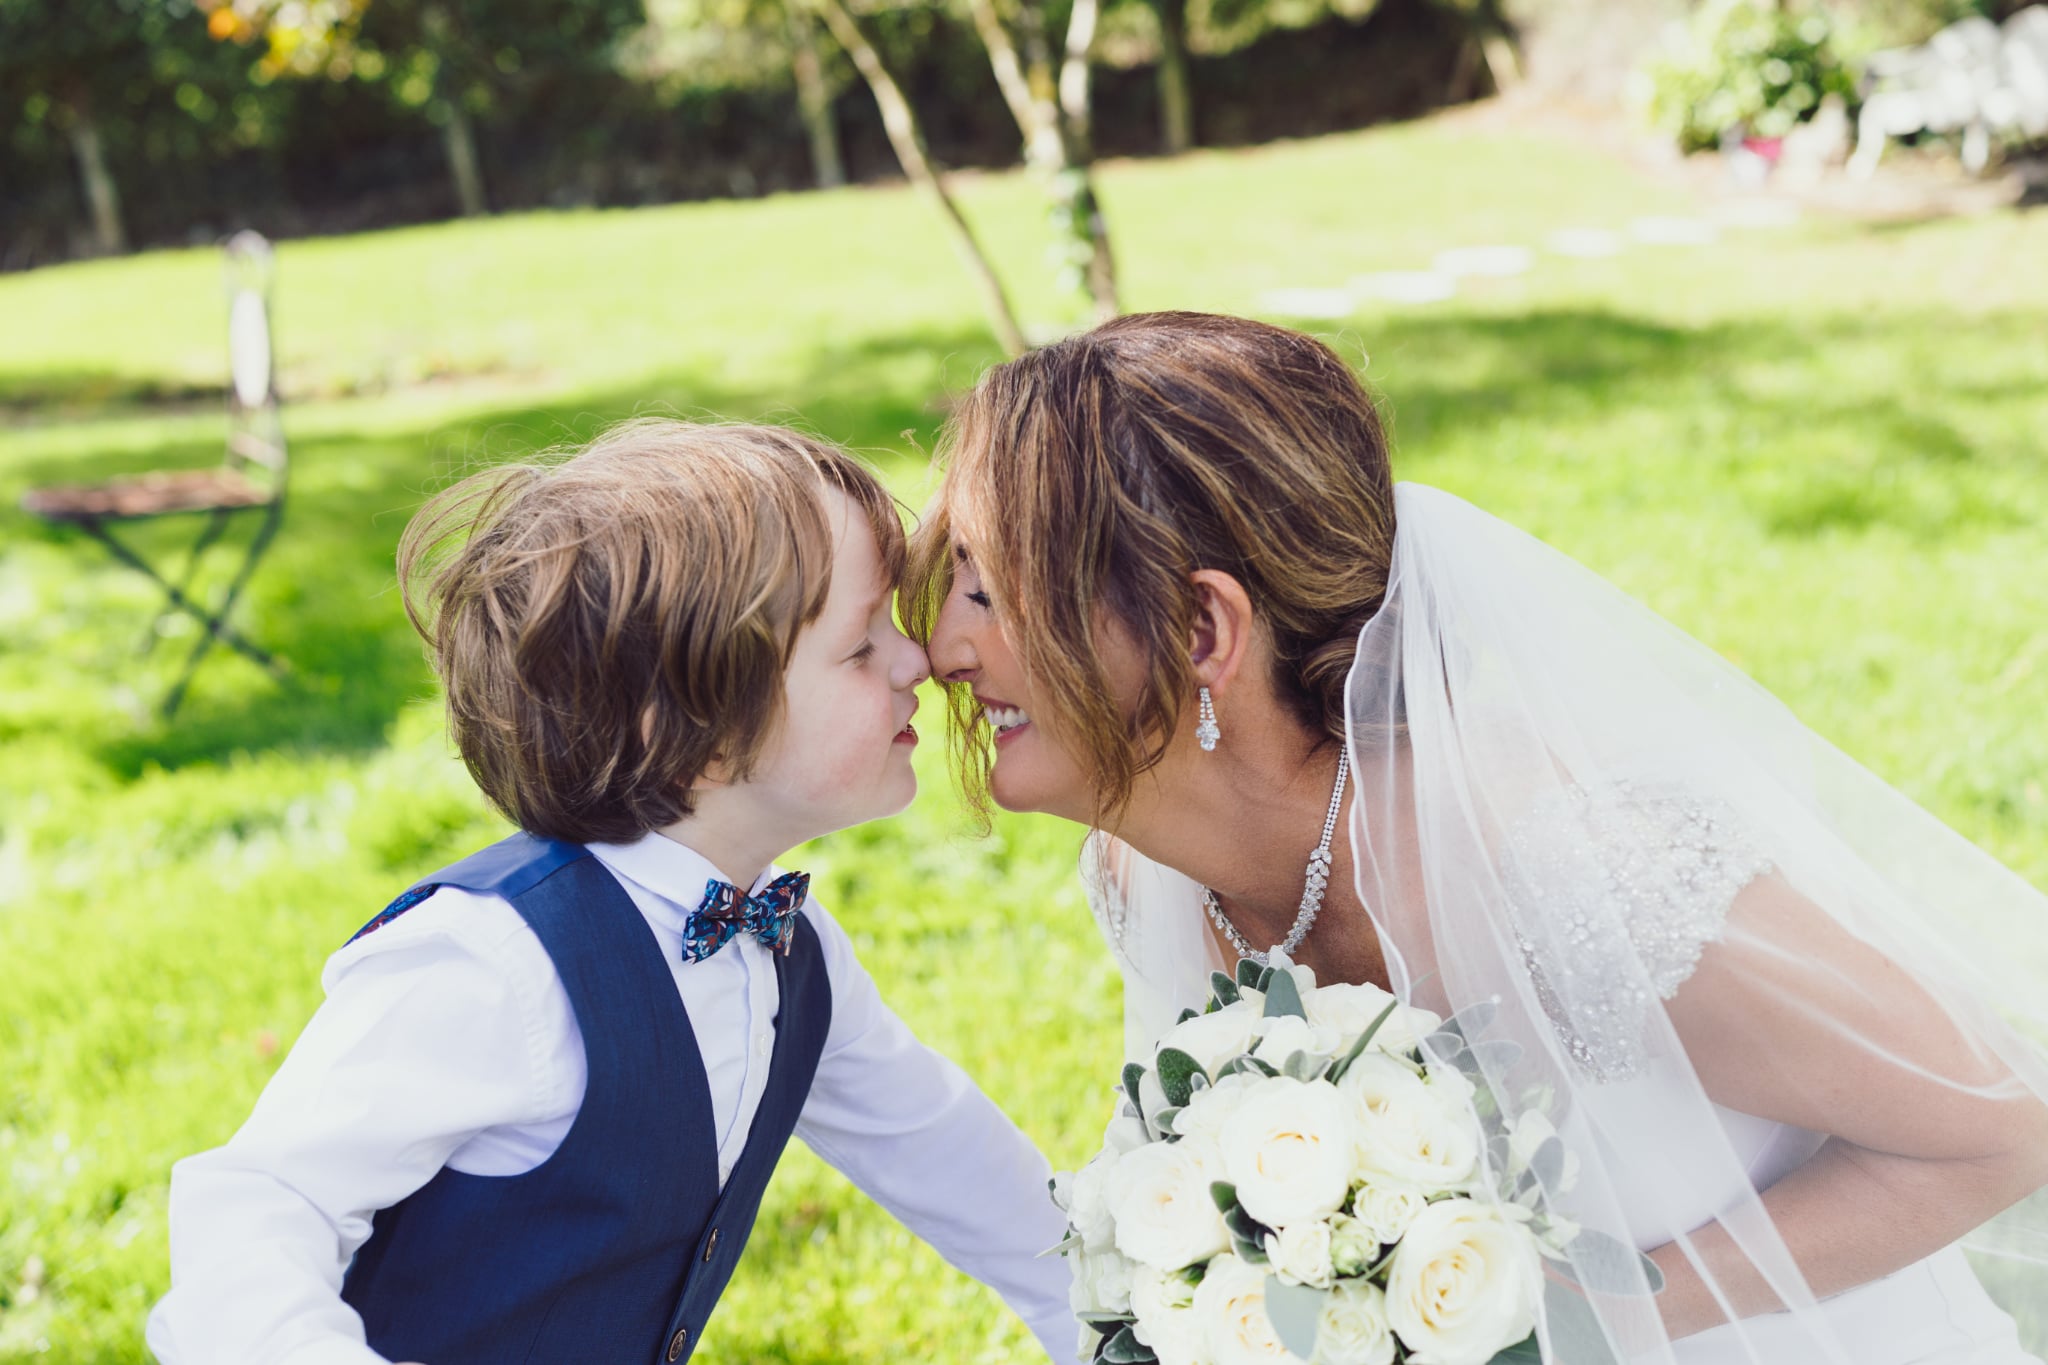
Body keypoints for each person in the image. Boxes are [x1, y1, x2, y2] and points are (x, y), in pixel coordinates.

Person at [908, 311, 2048, 1363]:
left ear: (1204, 629)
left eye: (991, 599)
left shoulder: (1571, 869)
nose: (943, 655)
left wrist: (1570, 1324)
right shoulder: (1141, 872)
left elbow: (1996, 1132)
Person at [145, 419, 1073, 1365]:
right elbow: (259, 1206)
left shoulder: (792, 950)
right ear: (701, 732)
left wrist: (1120, 1314)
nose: (918, 658)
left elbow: (942, 1150)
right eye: (860, 647)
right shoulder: (498, 963)